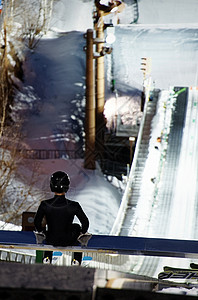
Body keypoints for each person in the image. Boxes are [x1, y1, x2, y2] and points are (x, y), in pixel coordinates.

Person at [34, 171, 89, 265]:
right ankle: (76, 260)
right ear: (67, 186)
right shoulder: (74, 205)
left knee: (49, 232)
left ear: (51, 185)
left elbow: (36, 222)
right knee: (76, 227)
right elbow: (85, 223)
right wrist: (82, 232)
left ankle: (47, 258)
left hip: (51, 238)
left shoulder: (44, 204)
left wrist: (42, 232)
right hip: (69, 239)